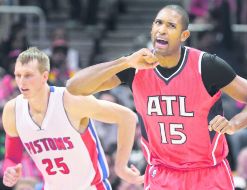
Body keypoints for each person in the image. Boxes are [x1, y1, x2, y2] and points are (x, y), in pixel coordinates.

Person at [66, 4, 247, 190]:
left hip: (208, 173)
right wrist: (125, 61)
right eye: (158, 23)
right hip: (162, 175)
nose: (162, 30)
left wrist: (234, 124)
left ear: (184, 35)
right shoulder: (135, 67)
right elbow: (75, 87)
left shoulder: (206, 65)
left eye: (171, 26)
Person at [1, 47, 144, 190]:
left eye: (28, 75)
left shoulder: (70, 100)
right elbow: (11, 158)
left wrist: (121, 167)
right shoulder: (12, 111)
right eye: (18, 75)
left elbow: (127, 117)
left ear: (45, 76)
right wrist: (11, 170)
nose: (21, 82)